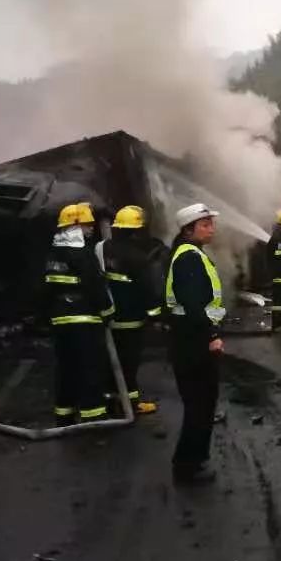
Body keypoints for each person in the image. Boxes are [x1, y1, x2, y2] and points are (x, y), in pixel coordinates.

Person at [166, 203, 225, 484]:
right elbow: (192, 304)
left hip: (190, 339)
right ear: (189, 229)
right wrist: (211, 336)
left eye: (211, 223)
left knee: (201, 403)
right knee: (200, 404)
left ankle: (192, 460)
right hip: (192, 342)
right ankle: (189, 465)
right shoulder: (188, 258)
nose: (211, 229)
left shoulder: (189, 253)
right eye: (205, 225)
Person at [44, 202, 113, 426]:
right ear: (75, 226)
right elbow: (94, 286)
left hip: (59, 320)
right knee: (90, 366)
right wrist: (107, 311)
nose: (91, 228)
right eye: (86, 224)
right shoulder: (82, 254)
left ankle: (64, 414)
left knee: (66, 368)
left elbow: (46, 289)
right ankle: (94, 417)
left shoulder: (53, 254)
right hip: (84, 319)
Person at [97, 205, 163, 414]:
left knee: (110, 361)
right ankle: (130, 405)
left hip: (106, 317)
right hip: (131, 320)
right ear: (136, 230)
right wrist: (157, 317)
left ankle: (109, 401)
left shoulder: (102, 249)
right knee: (129, 363)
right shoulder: (137, 257)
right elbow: (147, 289)